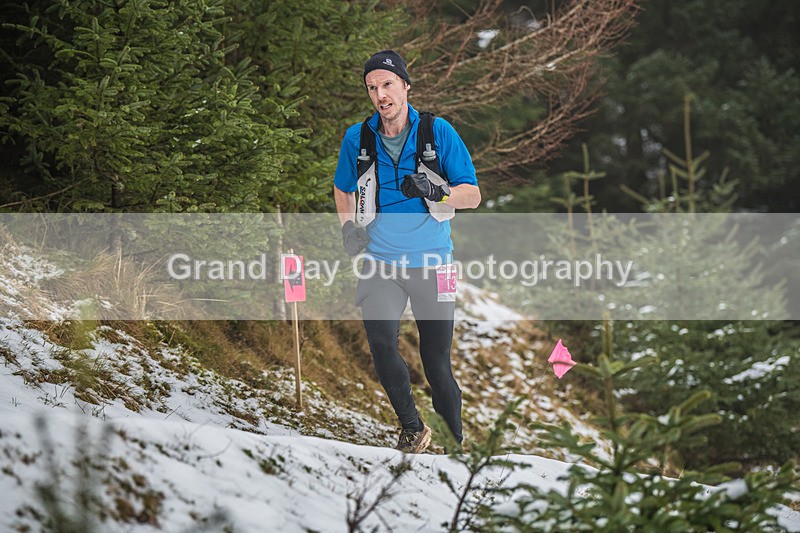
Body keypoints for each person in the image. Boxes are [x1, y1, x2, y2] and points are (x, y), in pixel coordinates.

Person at [333, 50, 481, 453]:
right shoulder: (358, 138)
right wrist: (349, 228)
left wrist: (439, 190)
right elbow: (344, 187)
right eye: (372, 88)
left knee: (437, 362)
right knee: (381, 344)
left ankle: (454, 445)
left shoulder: (437, 132)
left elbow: (473, 195)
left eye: (387, 85)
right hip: (381, 261)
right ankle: (413, 428)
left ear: (405, 87)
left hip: (436, 261)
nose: (380, 95)